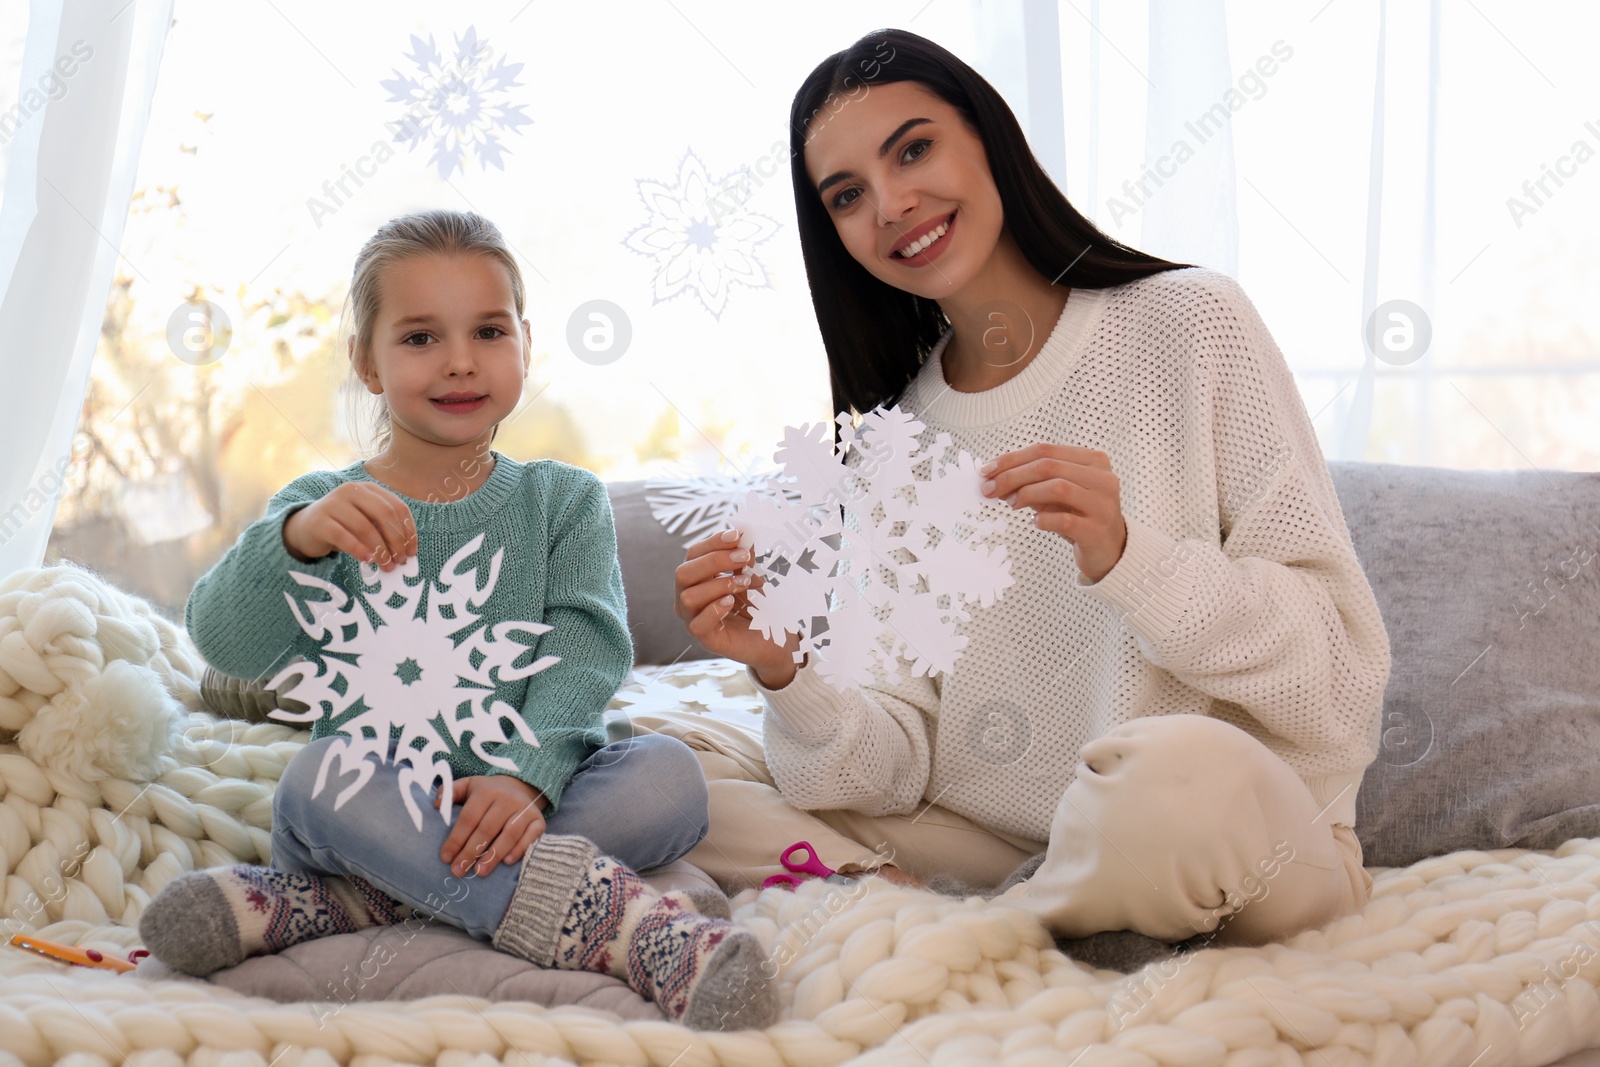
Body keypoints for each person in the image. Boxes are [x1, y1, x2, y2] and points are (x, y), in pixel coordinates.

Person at [673, 29, 1390, 948]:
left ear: (988, 137)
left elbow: (1340, 678)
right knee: (686, 771)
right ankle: (1029, 910)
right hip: (1004, 843)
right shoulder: (897, 441)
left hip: (1233, 830)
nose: (893, 205)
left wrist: (1135, 559)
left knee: (1174, 779)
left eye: (915, 148)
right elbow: (895, 758)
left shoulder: (1191, 323)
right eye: (847, 196)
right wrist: (781, 668)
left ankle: (979, 918)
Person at [140, 209, 775, 1030]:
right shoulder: (322, 511)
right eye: (419, 338)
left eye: (487, 330)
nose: (460, 362)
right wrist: (295, 541)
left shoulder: (564, 501)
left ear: (525, 344)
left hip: (531, 803)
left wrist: (526, 775)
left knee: (670, 778)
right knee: (315, 777)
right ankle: (615, 925)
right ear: (365, 361)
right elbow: (223, 640)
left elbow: (586, 653)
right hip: (369, 808)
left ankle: (355, 903)